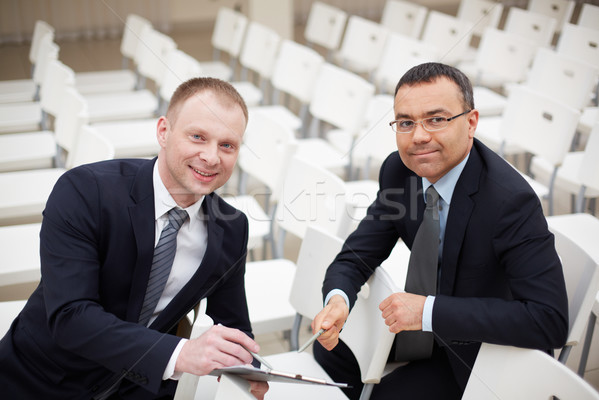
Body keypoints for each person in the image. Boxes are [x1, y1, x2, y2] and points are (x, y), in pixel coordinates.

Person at [311, 62, 569, 399]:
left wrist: (428, 312)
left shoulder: (510, 202)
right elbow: (356, 254)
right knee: (331, 352)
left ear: (471, 122)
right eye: (406, 123)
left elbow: (549, 320)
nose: (419, 136)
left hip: (480, 351)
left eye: (436, 119)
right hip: (422, 330)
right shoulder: (399, 172)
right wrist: (338, 300)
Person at [0, 77, 268, 399]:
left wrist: (250, 366)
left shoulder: (232, 227)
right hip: (43, 378)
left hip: (140, 385)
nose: (212, 157)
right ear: (163, 132)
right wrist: (181, 354)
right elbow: (71, 317)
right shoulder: (84, 191)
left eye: (227, 145)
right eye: (198, 137)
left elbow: (233, 325)